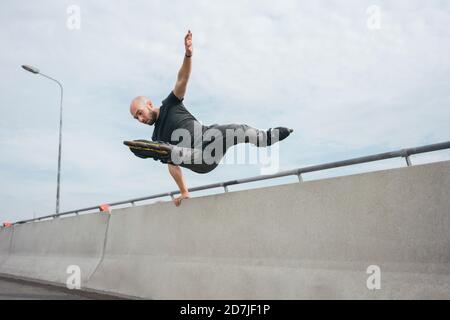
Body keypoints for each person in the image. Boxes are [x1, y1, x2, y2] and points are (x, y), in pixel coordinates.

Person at [127, 30, 293, 206]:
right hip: (197, 159)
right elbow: (172, 167)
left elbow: (182, 79)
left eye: (139, 113)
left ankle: (266, 138)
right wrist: (184, 192)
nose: (140, 119)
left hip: (209, 139)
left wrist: (188, 55)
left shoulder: (171, 104)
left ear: (149, 105)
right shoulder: (156, 137)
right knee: (169, 153)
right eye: (136, 118)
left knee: (236, 129)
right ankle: (167, 151)